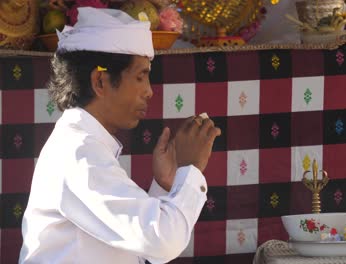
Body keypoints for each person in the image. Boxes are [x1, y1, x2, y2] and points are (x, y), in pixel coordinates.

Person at [19, 7, 221, 264]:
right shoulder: (80, 153)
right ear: (100, 81)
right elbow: (161, 241)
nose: (149, 92)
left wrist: (165, 185)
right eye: (141, 77)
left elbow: (140, 246)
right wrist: (191, 170)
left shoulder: (84, 146)